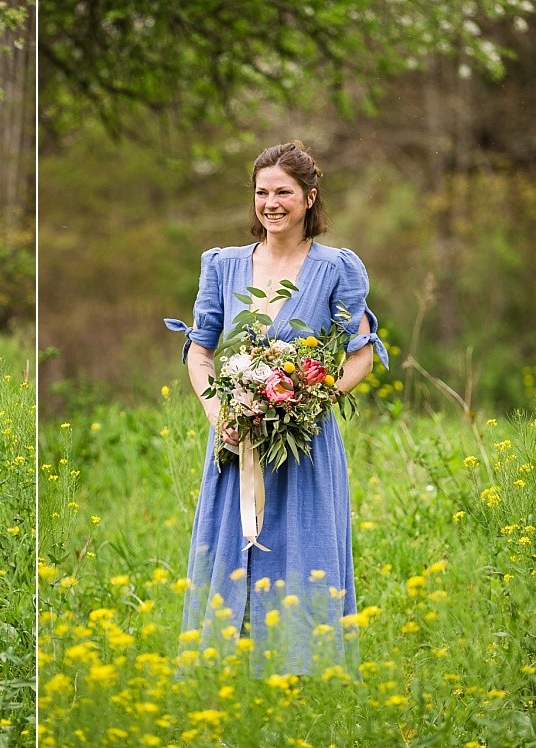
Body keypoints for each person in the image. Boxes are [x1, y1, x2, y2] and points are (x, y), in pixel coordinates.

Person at [164, 142, 388, 676]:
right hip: (236, 439)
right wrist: (219, 412)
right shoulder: (222, 266)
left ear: (309, 198)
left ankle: (305, 675)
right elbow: (201, 348)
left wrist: (315, 396)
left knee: (304, 552)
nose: (271, 203)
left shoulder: (337, 269)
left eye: (283, 192)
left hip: (305, 441)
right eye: (262, 192)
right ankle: (225, 675)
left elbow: (363, 353)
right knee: (231, 549)